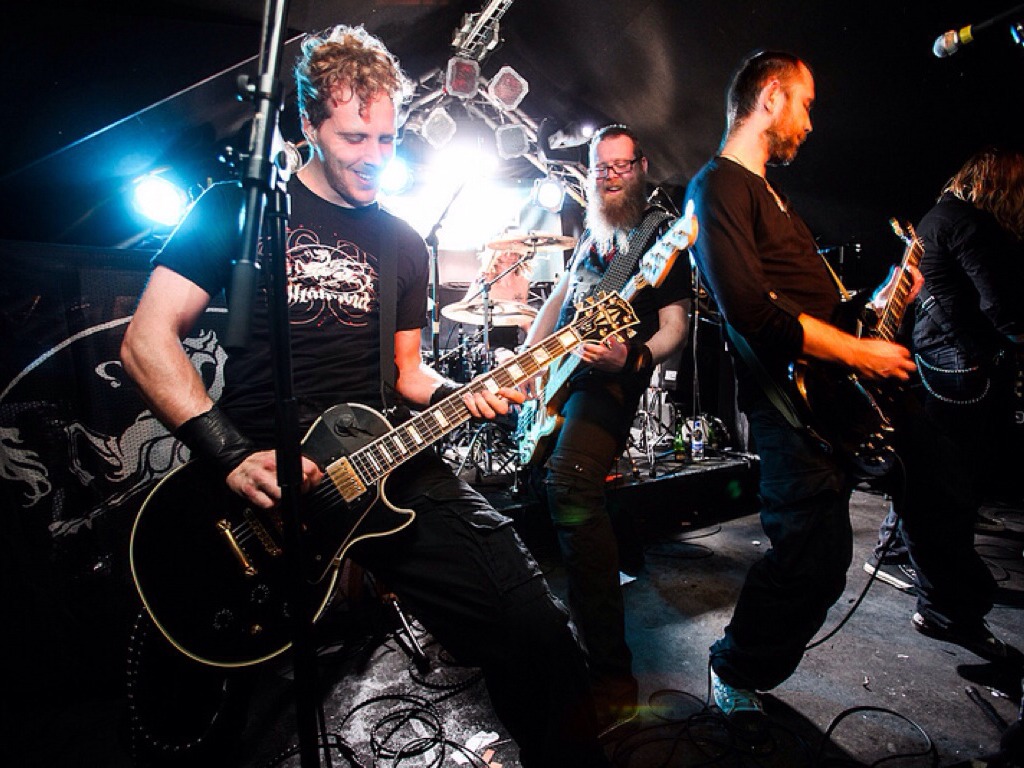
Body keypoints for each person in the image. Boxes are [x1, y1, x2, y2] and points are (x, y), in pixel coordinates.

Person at [119, 24, 608, 767]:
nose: (375, 156)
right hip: (261, 471)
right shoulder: (240, 208)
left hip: (384, 461)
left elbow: (410, 375)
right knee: (210, 703)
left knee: (536, 631)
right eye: (354, 137)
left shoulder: (401, 242)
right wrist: (232, 457)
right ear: (309, 124)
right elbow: (146, 341)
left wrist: (465, 392)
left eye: (387, 138)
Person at [685, 50, 1018, 728]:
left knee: (944, 484)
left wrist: (885, 301)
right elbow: (751, 311)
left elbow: (824, 309)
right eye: (805, 103)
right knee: (815, 559)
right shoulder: (717, 187)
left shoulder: (775, 197)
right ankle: (736, 666)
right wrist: (859, 350)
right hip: (790, 405)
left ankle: (951, 608)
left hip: (840, 390)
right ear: (771, 96)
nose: (810, 123)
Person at [520, 124, 693, 730]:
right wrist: (529, 360)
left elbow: (675, 328)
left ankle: (613, 679)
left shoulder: (660, 237)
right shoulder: (591, 233)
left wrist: (632, 357)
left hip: (612, 382)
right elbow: (561, 299)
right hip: (563, 378)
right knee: (547, 489)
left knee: (569, 484)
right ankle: (611, 573)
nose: (610, 176)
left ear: (642, 167)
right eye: (600, 167)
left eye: (621, 165)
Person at [865, 147, 1024, 589]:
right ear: (997, 184)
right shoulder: (966, 222)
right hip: (958, 360)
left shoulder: (940, 216)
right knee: (944, 468)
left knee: (931, 463)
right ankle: (904, 555)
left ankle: (903, 548)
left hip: (940, 354)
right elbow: (999, 303)